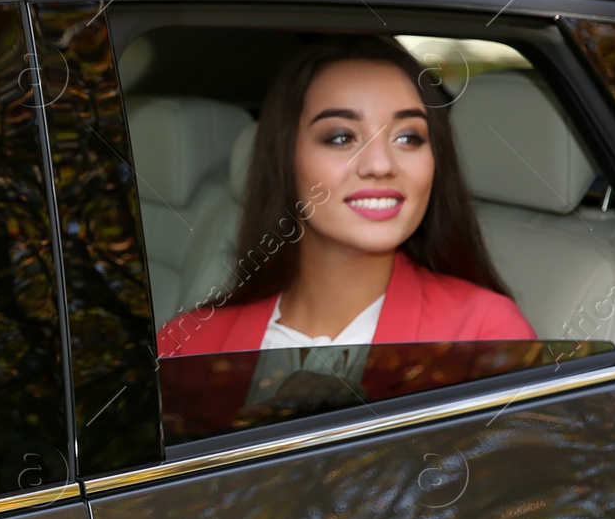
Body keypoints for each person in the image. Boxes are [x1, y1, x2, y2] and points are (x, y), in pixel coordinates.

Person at [157, 36, 535, 359]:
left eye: (408, 137)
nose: (380, 164)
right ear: (286, 160)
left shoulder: (487, 335)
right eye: (341, 137)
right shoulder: (186, 343)